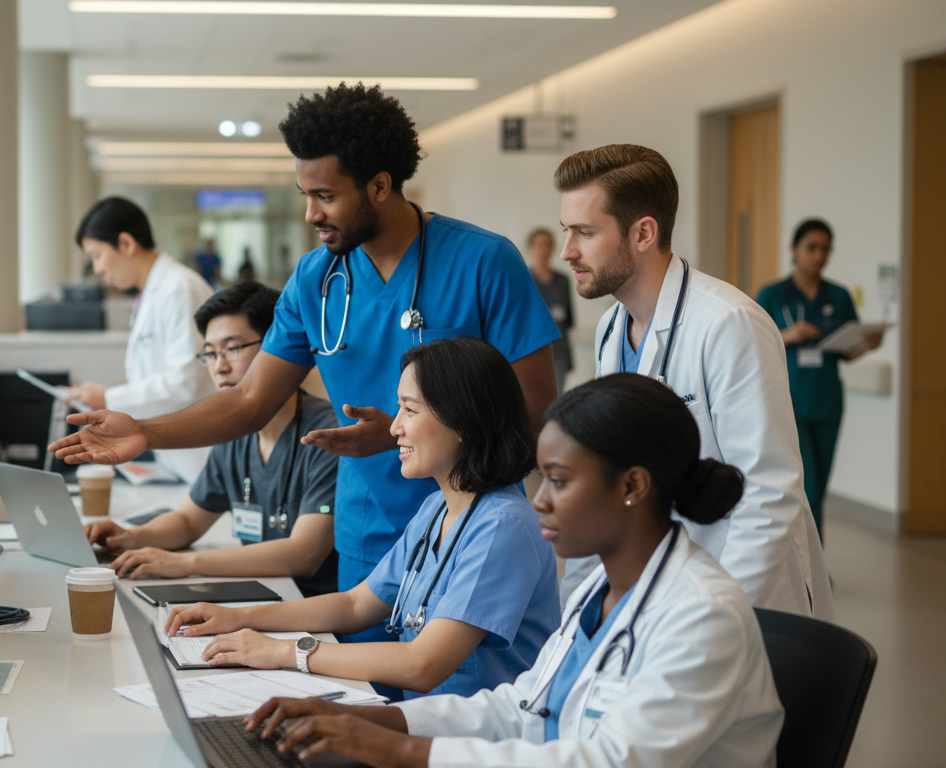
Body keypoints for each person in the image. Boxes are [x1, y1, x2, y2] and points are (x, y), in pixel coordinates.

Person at [51, 84, 560, 650]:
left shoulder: (483, 262)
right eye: (303, 193)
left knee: (453, 707)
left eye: (324, 195)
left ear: (380, 186)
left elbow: (536, 414)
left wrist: (395, 434)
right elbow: (249, 401)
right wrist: (146, 431)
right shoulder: (315, 279)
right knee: (363, 702)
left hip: (473, 532)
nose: (310, 213)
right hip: (366, 537)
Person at [239, 374, 783, 768]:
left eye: (561, 481)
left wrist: (407, 751)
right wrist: (379, 723)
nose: (540, 502)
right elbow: (523, 708)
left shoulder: (701, 616)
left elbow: (613, 763)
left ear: (632, 487)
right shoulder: (601, 589)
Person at [163, 337, 559, 700]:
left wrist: (282, 652)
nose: (394, 427)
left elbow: (423, 665)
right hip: (425, 724)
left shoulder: (504, 528)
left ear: (463, 421)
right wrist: (237, 619)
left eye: (409, 409)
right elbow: (356, 605)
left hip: (477, 743)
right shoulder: (437, 508)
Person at [555, 144, 832, 619]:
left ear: (643, 232)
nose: (567, 252)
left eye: (584, 232)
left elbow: (768, 491)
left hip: (742, 598)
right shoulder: (609, 330)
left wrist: (716, 618)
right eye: (567, 231)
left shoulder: (730, 323)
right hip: (654, 590)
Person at [83, 281, 340, 596]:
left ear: (277, 347)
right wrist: (130, 538)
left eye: (232, 348)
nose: (219, 366)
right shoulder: (234, 432)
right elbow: (188, 521)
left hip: (316, 611)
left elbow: (304, 556)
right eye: (210, 353)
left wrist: (186, 563)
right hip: (262, 595)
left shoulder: (328, 435)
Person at [63, 197, 215, 482]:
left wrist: (108, 398)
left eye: (96, 255)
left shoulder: (179, 289)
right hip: (177, 459)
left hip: (200, 457)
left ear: (126, 244)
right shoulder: (152, 293)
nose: (96, 269)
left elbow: (187, 381)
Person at [757, 219, 883, 537]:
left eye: (825, 249)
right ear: (794, 250)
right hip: (789, 401)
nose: (819, 255)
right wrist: (789, 334)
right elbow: (754, 342)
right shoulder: (772, 295)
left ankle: (815, 567)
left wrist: (867, 344)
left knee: (819, 491)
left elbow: (847, 350)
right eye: (811, 247)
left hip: (827, 403)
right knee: (806, 488)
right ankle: (803, 570)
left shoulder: (838, 296)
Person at [527, 227, 575, 393]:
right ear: (530, 248)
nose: (544, 250)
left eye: (548, 244)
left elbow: (569, 318)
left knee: (557, 394)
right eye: (540, 245)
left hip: (559, 348)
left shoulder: (562, 280)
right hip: (532, 348)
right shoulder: (524, 279)